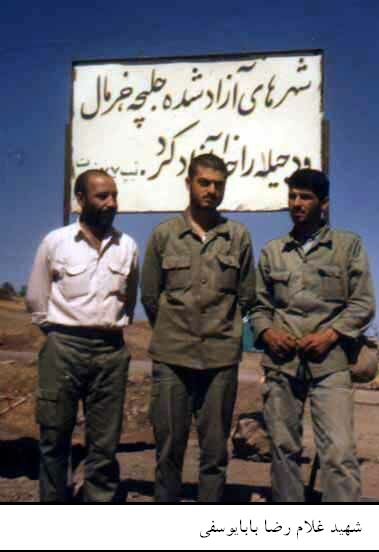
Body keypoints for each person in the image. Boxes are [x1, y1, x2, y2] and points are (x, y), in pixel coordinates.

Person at [250, 168, 375, 502]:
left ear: (324, 203)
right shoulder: (273, 251)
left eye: (305, 197)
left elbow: (363, 304)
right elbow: (257, 306)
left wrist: (330, 336)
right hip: (281, 365)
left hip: (330, 365)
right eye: (292, 196)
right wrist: (268, 333)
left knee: (339, 452)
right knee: (283, 449)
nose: (296, 203)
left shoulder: (347, 247)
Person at [141, 153, 255, 502]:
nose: (211, 191)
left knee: (215, 454)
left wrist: (225, 333)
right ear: (188, 183)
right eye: (204, 182)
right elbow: (150, 296)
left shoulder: (237, 237)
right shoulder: (164, 235)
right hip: (172, 358)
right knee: (168, 450)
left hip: (220, 360)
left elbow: (247, 296)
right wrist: (174, 330)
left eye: (218, 185)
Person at [26, 169, 139, 502]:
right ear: (80, 199)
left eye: (114, 196)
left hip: (110, 351)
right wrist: (59, 334)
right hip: (63, 347)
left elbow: (129, 300)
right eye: (102, 196)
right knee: (54, 437)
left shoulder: (128, 246)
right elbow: (36, 297)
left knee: (104, 444)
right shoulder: (56, 242)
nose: (111, 203)